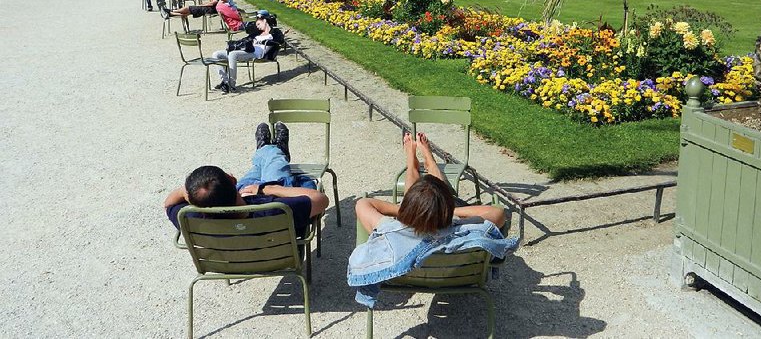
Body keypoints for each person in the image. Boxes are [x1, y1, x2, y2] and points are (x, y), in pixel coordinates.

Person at [348, 132, 517, 307]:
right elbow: (497, 213)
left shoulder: (391, 231)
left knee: (417, 195)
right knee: (433, 193)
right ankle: (429, 160)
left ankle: (411, 162)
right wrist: (444, 211)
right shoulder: (463, 232)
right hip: (459, 277)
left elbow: (363, 203)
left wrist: (412, 211)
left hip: (405, 277)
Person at [164, 123, 329, 237]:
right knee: (274, 171)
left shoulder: (193, 220)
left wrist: (190, 192)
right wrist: (268, 189)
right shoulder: (275, 210)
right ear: (232, 179)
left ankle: (266, 150)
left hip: (231, 260)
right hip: (258, 195)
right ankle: (273, 149)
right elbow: (320, 199)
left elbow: (169, 203)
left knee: (260, 167)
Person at [210, 10, 282, 93]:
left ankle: (231, 84)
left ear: (265, 21)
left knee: (233, 55)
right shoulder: (258, 32)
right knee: (216, 54)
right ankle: (225, 82)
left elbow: (279, 41)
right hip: (247, 50)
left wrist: (262, 42)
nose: (257, 25)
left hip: (256, 53)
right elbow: (247, 35)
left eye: (258, 22)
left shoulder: (274, 32)